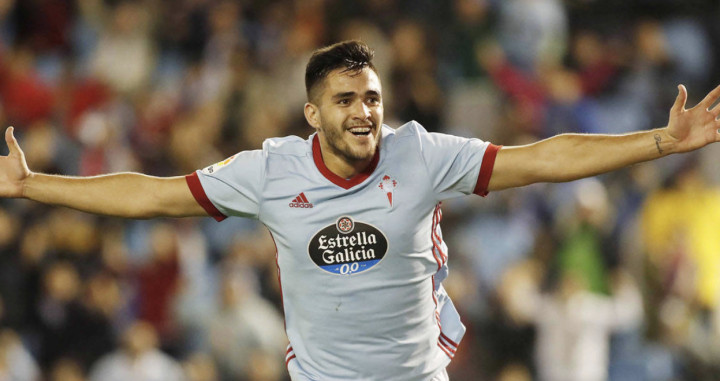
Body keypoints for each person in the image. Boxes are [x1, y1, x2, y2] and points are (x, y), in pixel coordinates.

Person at [1, 40, 719, 380]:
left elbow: (544, 157)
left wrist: (661, 141)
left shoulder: (424, 153)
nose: (364, 110)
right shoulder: (270, 170)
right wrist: (35, 186)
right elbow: (151, 193)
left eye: (372, 96)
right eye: (345, 98)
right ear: (313, 112)